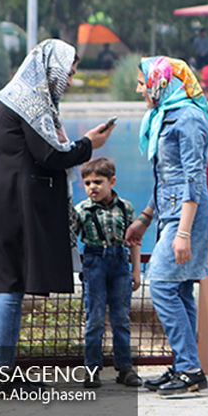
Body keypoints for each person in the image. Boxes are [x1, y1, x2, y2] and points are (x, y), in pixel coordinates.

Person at [0, 39, 114, 379]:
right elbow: (51, 156)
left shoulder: (8, 99)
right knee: (11, 288)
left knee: (0, 287)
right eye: (68, 73)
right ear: (51, 69)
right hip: (12, 205)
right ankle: (4, 375)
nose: (70, 81)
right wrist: (90, 144)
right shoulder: (31, 103)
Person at [123, 57, 208, 396]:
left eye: (142, 81)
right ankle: (185, 366)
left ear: (160, 81)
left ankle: (190, 369)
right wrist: (146, 219)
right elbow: (167, 179)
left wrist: (184, 233)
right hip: (171, 212)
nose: (138, 88)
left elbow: (193, 178)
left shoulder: (189, 119)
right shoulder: (166, 115)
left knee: (160, 284)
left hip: (186, 216)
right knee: (179, 290)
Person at [72, 157, 141, 388]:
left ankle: (125, 367)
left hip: (119, 262)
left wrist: (136, 270)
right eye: (88, 183)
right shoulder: (81, 210)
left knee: (121, 317)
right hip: (94, 262)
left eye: (98, 182)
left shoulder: (125, 207)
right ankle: (92, 368)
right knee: (95, 318)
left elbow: (134, 241)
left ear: (112, 182)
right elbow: (70, 238)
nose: (93, 187)